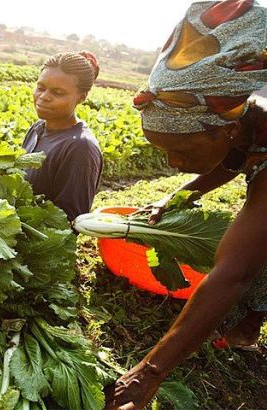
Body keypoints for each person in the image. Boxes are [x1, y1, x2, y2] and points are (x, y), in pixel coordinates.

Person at [104, 0, 267, 408]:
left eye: (181, 152)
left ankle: (251, 322)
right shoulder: (242, 119)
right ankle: (251, 321)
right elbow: (233, 160)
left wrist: (147, 374)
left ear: (223, 131)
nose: (173, 165)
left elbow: (234, 272)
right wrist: (176, 196)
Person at [22, 51, 103, 221]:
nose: (43, 97)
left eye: (57, 93)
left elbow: (69, 221)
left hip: (36, 246)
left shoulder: (81, 147)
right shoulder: (37, 129)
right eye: (41, 87)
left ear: (81, 97)